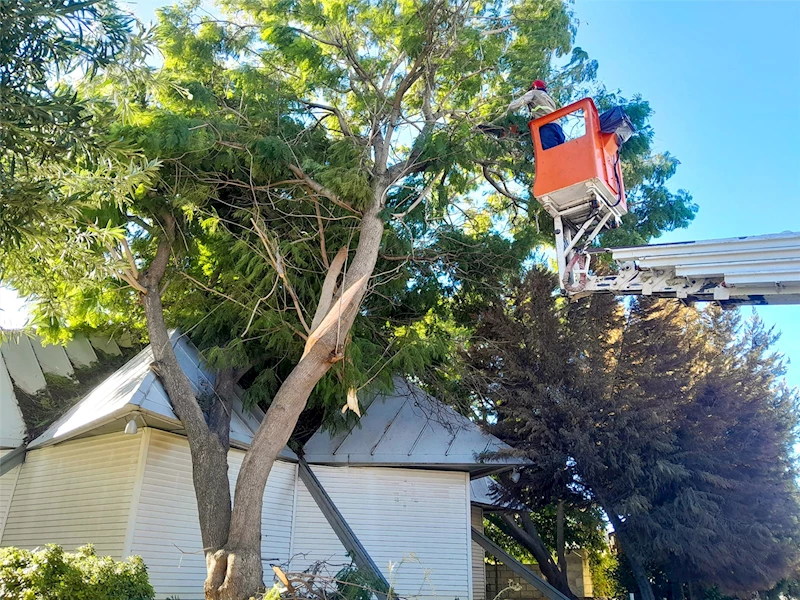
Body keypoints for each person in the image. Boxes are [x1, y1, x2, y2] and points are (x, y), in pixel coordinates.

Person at [506, 79, 565, 150]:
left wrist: (508, 111)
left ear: (534, 87)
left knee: (550, 154)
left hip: (546, 126)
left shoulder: (534, 93)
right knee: (560, 154)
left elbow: (520, 102)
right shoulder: (550, 99)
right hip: (558, 127)